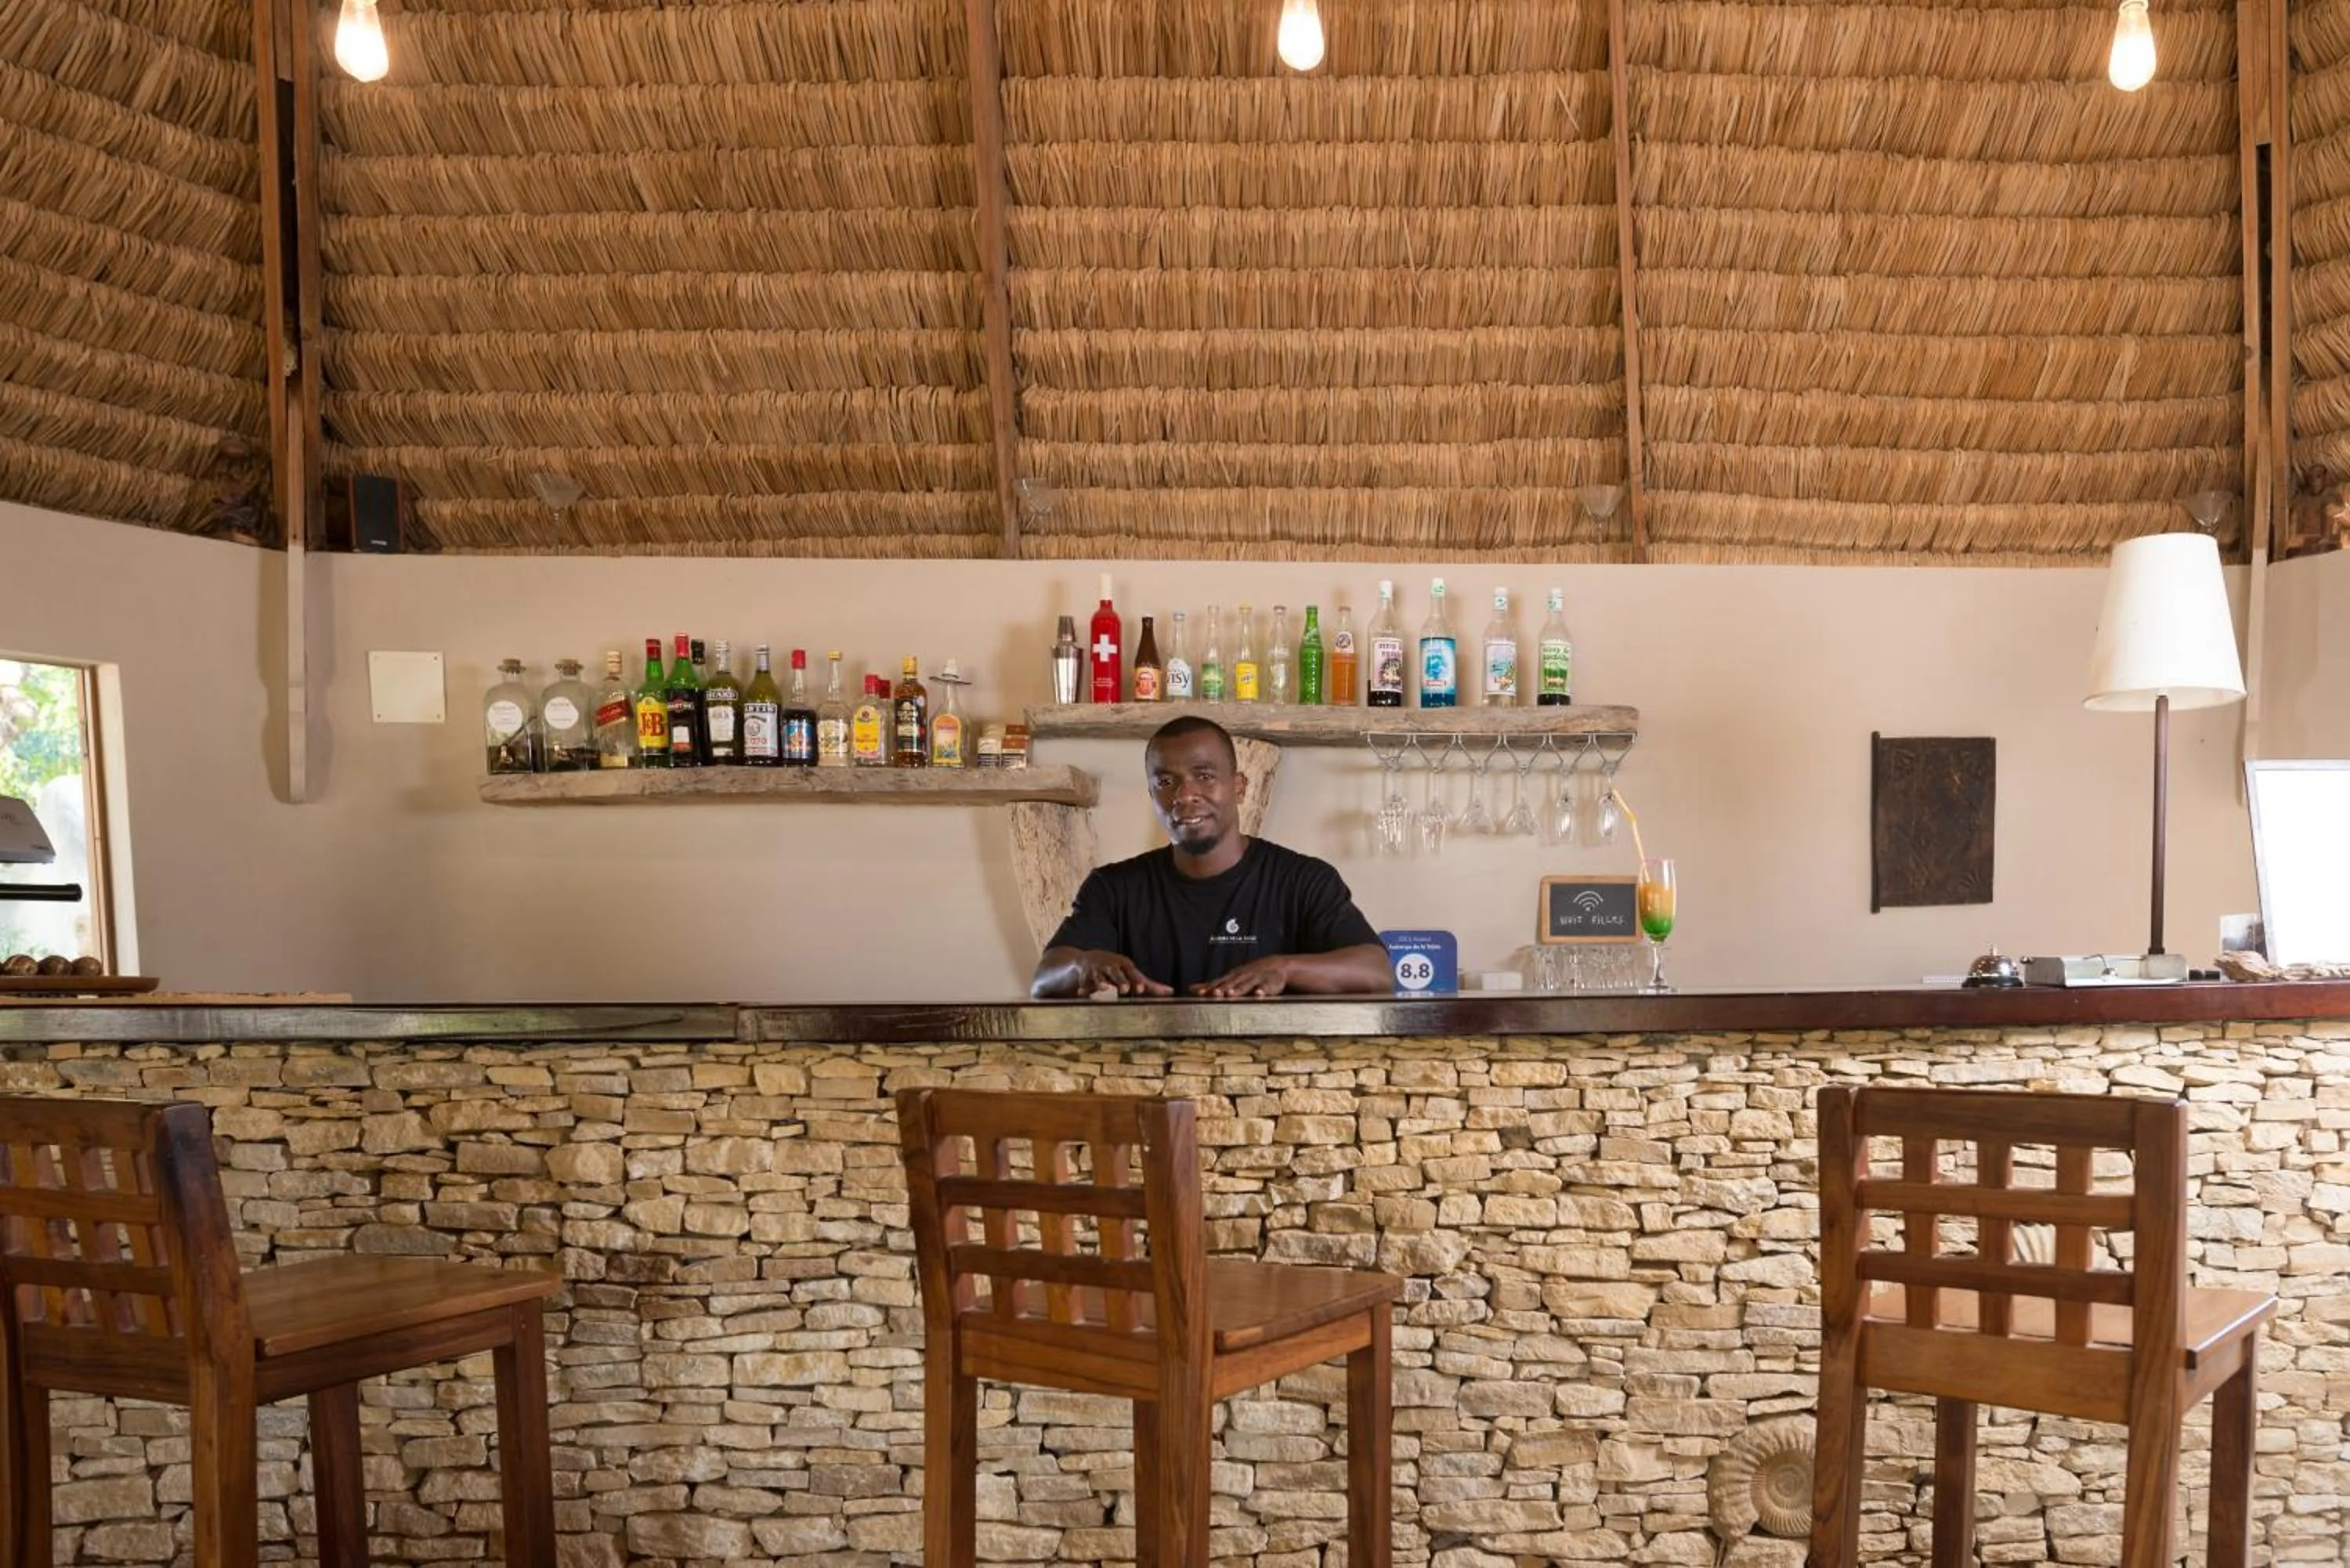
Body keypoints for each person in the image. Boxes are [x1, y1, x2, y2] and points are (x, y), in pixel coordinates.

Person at [1031, 715, 1392, 999]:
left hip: (1272, 1079)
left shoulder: (1303, 880)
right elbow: (1045, 978)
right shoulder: (1114, 888)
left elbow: (1376, 972)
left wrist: (1285, 969)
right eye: (1166, 782)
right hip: (1154, 1080)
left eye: (1204, 776)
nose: (1185, 795)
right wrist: (1083, 966)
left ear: (1239, 787)